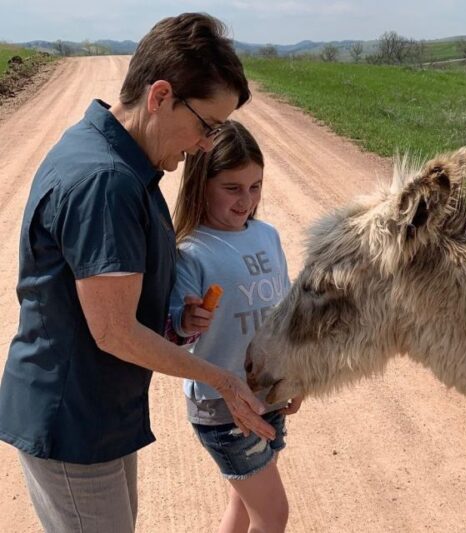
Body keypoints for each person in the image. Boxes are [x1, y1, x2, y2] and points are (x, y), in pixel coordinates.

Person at [0, 13, 274, 533]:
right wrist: (221, 379)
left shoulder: (113, 157)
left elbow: (114, 304)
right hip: (74, 423)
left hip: (95, 416)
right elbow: (115, 331)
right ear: (160, 96)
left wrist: (174, 319)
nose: (205, 145)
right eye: (207, 126)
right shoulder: (106, 181)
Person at [169, 120, 302, 533]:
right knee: (273, 514)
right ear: (201, 184)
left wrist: (298, 376)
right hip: (222, 406)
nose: (246, 200)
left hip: (268, 394)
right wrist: (187, 321)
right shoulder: (191, 251)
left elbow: (285, 314)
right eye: (232, 188)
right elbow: (175, 332)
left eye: (255, 186)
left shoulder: (268, 236)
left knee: (243, 504)